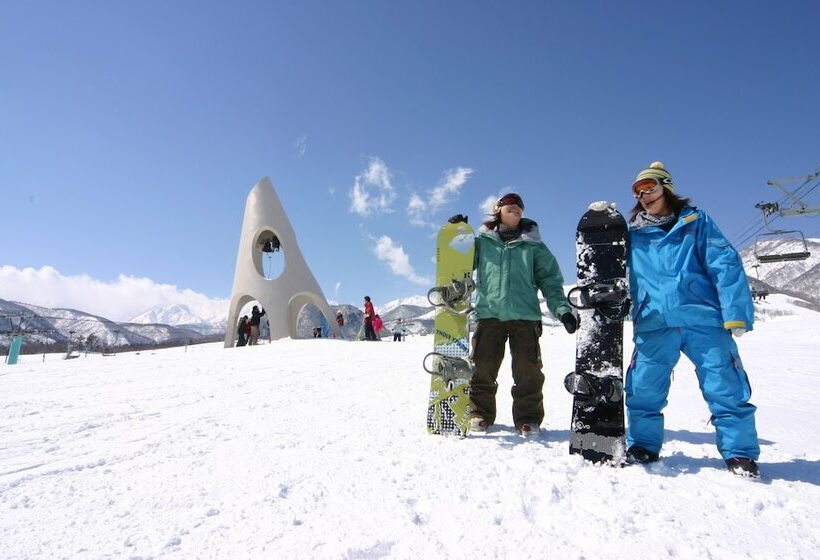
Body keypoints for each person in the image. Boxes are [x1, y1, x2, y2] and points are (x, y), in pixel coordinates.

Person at [625, 161, 760, 477]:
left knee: (725, 385)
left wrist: (735, 313)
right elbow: (616, 274)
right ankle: (643, 446)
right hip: (653, 321)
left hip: (702, 319)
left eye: (651, 188)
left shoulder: (696, 222)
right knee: (643, 388)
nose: (645, 195)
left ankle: (739, 453)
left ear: (666, 188)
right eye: (639, 191)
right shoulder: (632, 234)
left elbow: (724, 264)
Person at [464, 193, 577, 436]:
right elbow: (461, 263)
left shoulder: (534, 246)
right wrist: (459, 235)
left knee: (528, 372)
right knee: (482, 367)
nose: (515, 207)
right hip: (489, 314)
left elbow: (550, 281)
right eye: (508, 205)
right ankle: (479, 413)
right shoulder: (482, 242)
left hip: (525, 317)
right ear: (498, 210)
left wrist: (563, 311)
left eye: (519, 206)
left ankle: (528, 419)